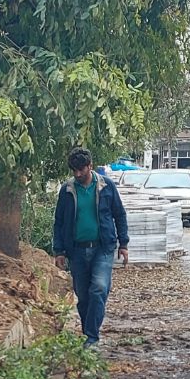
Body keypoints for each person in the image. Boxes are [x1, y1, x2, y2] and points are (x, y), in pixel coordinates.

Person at [52, 147, 130, 346]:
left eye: (81, 170)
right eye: (74, 171)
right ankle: (88, 331)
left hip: (102, 247)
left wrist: (124, 243)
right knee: (83, 296)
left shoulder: (106, 186)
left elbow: (119, 215)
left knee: (99, 288)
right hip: (76, 250)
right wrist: (59, 250)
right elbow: (59, 221)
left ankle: (92, 337)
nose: (78, 174)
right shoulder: (67, 190)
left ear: (90, 166)